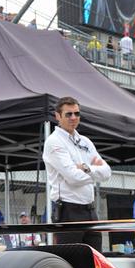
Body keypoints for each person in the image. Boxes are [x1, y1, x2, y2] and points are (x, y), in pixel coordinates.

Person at [42, 97, 111, 251]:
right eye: (68, 114)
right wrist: (95, 172)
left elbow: (107, 172)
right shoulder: (54, 141)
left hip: (90, 210)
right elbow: (73, 177)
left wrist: (86, 168)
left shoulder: (85, 141)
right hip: (68, 210)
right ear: (58, 116)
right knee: (71, 262)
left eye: (77, 113)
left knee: (95, 261)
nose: (73, 118)